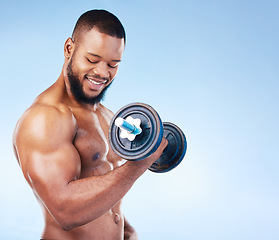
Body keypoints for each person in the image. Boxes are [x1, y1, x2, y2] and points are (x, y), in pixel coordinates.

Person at [13, 9, 167, 240]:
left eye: (113, 64)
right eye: (92, 60)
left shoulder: (107, 116)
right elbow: (65, 211)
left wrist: (126, 229)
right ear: (69, 49)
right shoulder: (44, 119)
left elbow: (103, 185)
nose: (102, 73)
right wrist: (138, 166)